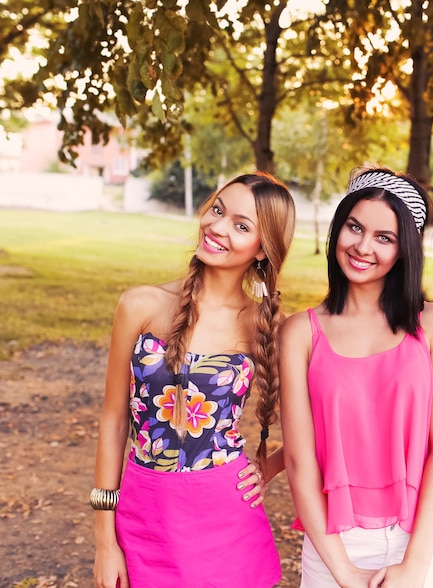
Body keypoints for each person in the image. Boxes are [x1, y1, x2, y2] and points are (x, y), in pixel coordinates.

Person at [92, 172, 296, 588]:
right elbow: (113, 422)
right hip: (143, 510)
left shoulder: (269, 327)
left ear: (263, 249)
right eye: (218, 210)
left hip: (228, 517)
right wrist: (104, 540)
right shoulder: (141, 305)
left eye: (241, 225)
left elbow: (317, 429)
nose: (218, 227)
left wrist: (270, 467)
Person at [280, 165, 433, 588]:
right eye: (354, 227)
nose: (363, 247)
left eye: (385, 238)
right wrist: (342, 571)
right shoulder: (300, 332)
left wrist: (415, 564)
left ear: (404, 250)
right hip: (334, 544)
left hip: (423, 540)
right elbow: (298, 461)